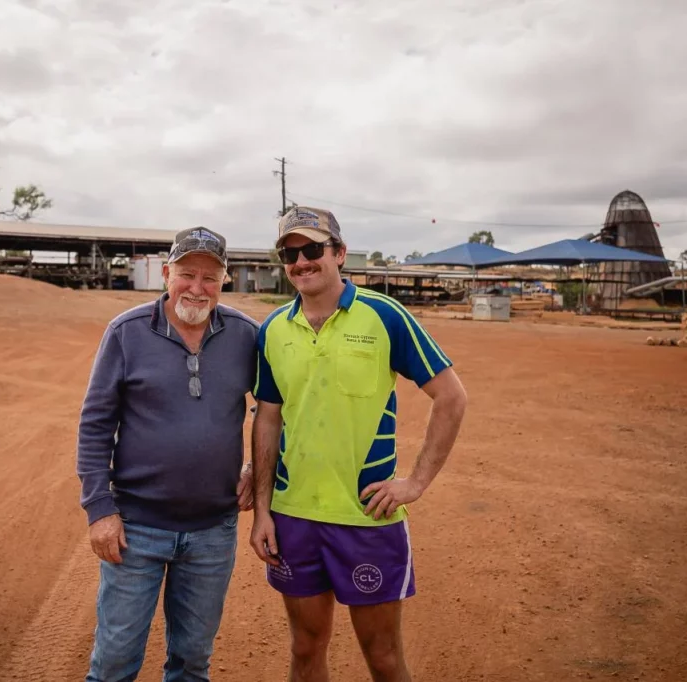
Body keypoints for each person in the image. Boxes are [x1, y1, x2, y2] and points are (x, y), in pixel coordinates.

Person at [249, 207, 468, 682]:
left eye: (312, 250)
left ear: (339, 254)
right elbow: (267, 419)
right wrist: (263, 510)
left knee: (384, 657)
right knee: (305, 649)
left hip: (366, 518)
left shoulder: (384, 315)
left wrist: (416, 482)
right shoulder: (272, 330)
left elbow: (450, 397)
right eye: (290, 253)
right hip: (293, 518)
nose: (302, 261)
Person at [76, 226, 259, 682]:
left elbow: (278, 411)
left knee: (192, 662)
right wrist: (100, 510)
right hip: (136, 528)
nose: (197, 288)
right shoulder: (126, 332)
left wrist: (259, 467)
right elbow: (96, 423)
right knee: (115, 660)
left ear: (225, 281)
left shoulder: (247, 336)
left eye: (210, 278)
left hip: (213, 531)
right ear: (165, 274)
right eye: (187, 274)